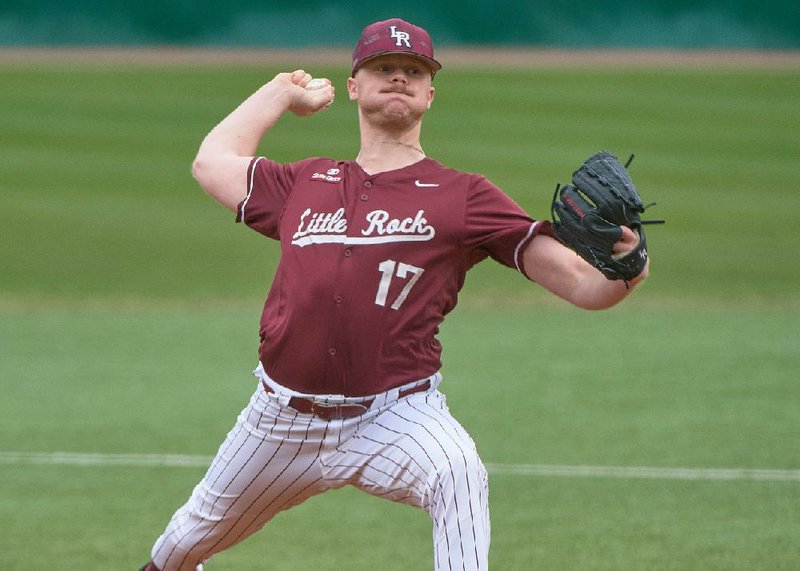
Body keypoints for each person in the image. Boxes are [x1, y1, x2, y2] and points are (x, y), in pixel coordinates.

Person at [140, 17, 648, 571]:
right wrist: (283, 91)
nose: (399, 78)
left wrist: (629, 263)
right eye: (384, 69)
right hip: (278, 421)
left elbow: (582, 285)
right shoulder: (303, 183)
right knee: (181, 545)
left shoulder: (465, 196)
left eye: (413, 71)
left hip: (396, 415)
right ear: (355, 86)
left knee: (457, 472)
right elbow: (210, 163)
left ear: (431, 92)